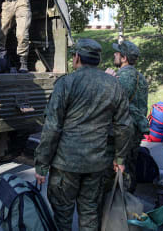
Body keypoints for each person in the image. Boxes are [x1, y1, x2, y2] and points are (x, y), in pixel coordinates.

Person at [34, 38, 132, 231]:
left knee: (62, 215)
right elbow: (124, 126)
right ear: (97, 59)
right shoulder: (114, 85)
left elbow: (52, 127)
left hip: (65, 164)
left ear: (77, 57)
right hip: (96, 163)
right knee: (89, 213)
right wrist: (120, 158)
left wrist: (41, 164)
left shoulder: (66, 83)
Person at [105, 40, 149, 192]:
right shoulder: (139, 76)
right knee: (129, 167)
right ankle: (127, 203)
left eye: (117, 53)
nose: (114, 55)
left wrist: (107, 81)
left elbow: (115, 102)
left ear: (124, 58)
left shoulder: (124, 76)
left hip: (123, 133)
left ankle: (120, 207)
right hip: (133, 130)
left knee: (120, 172)